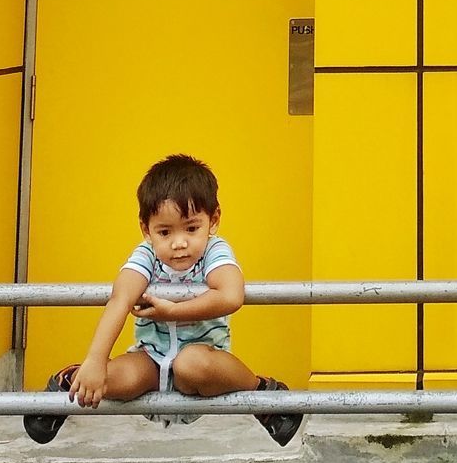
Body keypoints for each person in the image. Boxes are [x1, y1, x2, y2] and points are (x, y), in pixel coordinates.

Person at [23, 153, 301, 446]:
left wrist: (173, 311)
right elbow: (120, 299)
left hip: (202, 361)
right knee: (115, 377)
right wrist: (95, 361)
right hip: (151, 360)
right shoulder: (147, 255)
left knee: (190, 364)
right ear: (146, 229)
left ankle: (264, 394)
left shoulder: (214, 251)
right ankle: (70, 382)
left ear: (213, 220)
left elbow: (231, 295)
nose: (179, 243)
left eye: (192, 228)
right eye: (165, 232)